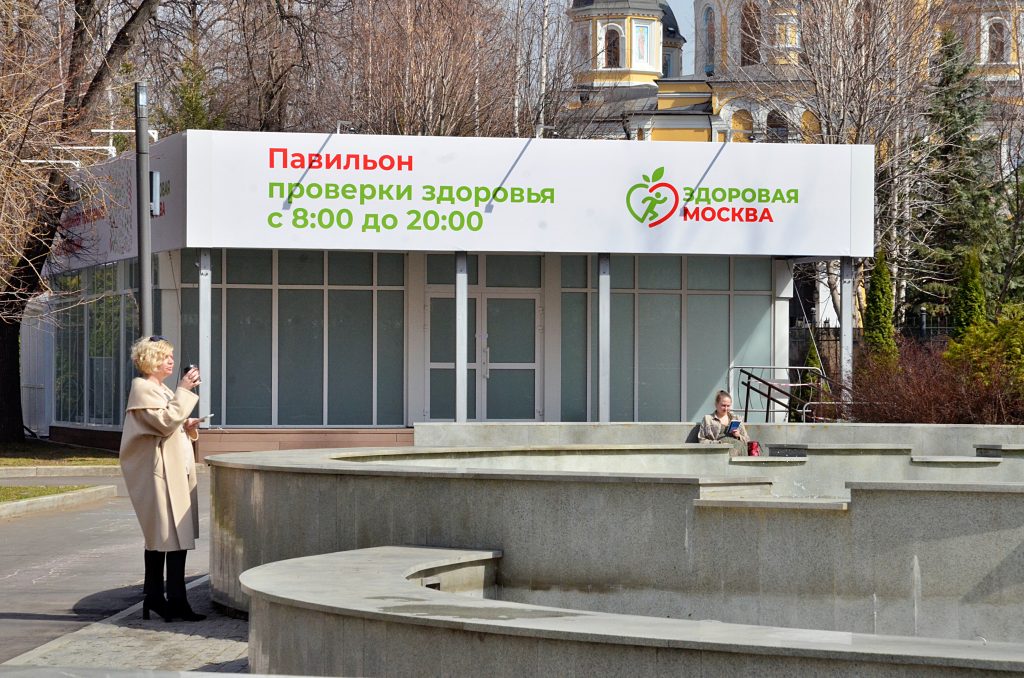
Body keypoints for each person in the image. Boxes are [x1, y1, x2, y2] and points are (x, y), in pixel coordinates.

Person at [119, 335, 206, 622]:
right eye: (166, 356)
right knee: (163, 535)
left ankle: (169, 598)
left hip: (173, 471)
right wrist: (184, 391)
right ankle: (160, 598)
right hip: (160, 474)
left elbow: (169, 421)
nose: (171, 361)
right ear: (152, 360)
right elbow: (165, 423)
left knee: (174, 536)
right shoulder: (143, 388)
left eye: (171, 356)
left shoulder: (161, 389)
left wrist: (187, 424)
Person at [697, 390, 750, 455]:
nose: (726, 408)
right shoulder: (708, 419)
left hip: (740, 451)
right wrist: (718, 444)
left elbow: (747, 440)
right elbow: (702, 441)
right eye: (723, 405)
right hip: (720, 452)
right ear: (716, 404)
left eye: (728, 406)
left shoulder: (736, 418)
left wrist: (738, 436)